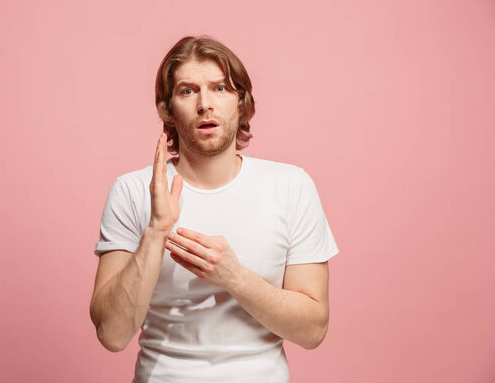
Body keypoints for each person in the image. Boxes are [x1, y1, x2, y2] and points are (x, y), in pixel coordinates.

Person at [89, 35, 340, 383]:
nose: (205, 104)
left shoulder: (291, 186)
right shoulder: (132, 191)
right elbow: (112, 336)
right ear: (168, 109)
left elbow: (313, 330)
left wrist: (234, 277)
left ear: (241, 103)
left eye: (220, 88)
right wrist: (156, 230)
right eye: (187, 91)